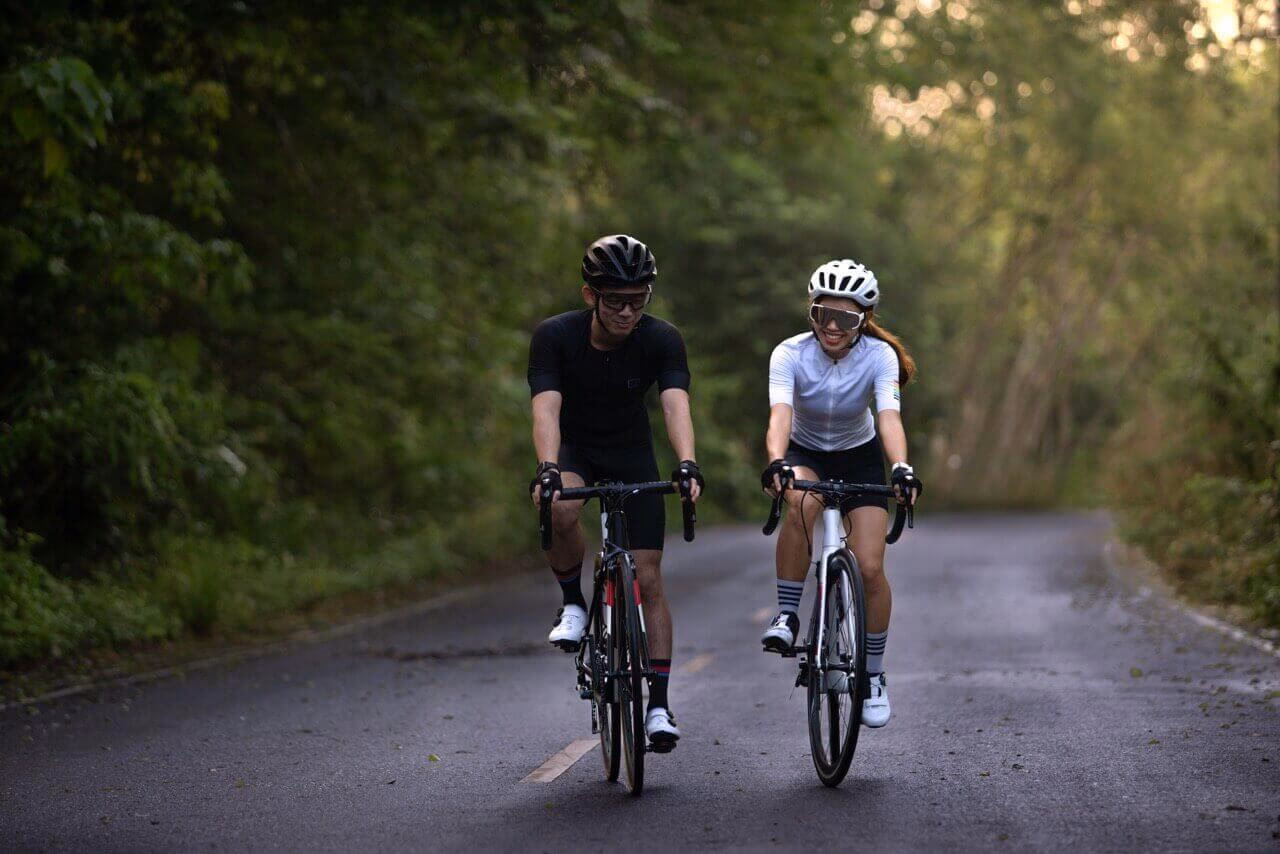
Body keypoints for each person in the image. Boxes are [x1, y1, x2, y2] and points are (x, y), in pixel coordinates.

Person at [527, 234, 703, 752]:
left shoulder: (661, 338)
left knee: (648, 577)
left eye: (638, 299)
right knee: (558, 505)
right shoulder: (555, 336)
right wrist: (547, 468)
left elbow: (675, 403)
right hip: (576, 450)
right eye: (616, 300)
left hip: (631, 452)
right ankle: (573, 604)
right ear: (590, 296)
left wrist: (687, 463)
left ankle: (659, 706)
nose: (628, 311)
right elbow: (546, 408)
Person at [760, 258, 922, 727]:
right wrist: (776, 460)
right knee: (802, 502)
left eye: (845, 318)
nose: (832, 326)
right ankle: (787, 615)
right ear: (811, 312)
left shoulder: (879, 356)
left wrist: (901, 467)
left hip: (859, 455)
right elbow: (780, 415)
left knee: (870, 567)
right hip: (804, 450)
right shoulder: (789, 353)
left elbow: (888, 417)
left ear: (863, 320)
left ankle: (873, 675)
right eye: (822, 314)